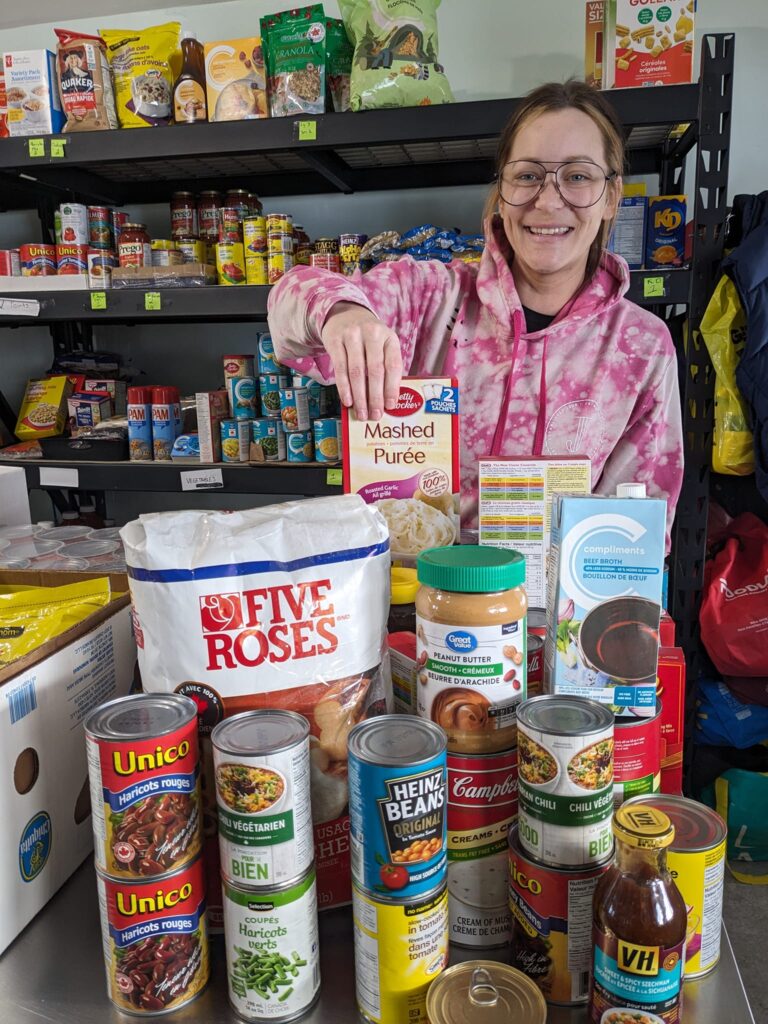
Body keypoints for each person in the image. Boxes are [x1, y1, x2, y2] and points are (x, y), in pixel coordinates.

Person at [267, 80, 684, 549]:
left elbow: (638, 525)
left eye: (578, 176)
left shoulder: (641, 346)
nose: (547, 200)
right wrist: (341, 312)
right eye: (527, 175)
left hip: (554, 614)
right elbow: (290, 300)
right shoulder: (429, 296)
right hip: (415, 601)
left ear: (611, 197)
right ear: (502, 192)